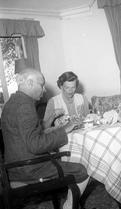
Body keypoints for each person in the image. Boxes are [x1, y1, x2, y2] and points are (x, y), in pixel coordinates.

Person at [1, 69, 89, 209]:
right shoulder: (25, 106)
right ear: (29, 83)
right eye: (41, 85)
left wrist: (60, 129)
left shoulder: (13, 102)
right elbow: (35, 145)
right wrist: (63, 132)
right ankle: (68, 207)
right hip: (29, 167)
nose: (44, 90)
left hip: (15, 164)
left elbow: (31, 134)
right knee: (82, 170)